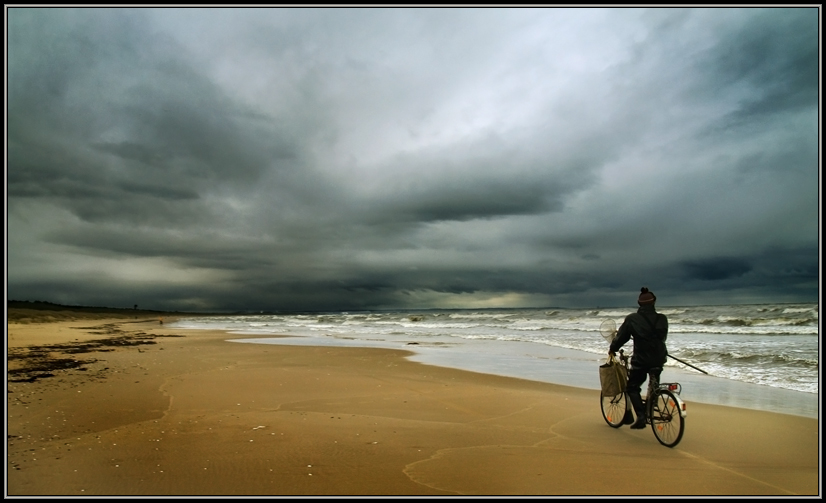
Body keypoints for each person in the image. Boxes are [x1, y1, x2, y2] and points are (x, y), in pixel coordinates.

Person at [608, 287, 668, 429]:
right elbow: (662, 338)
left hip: (641, 360)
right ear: (654, 302)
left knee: (632, 387)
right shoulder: (662, 319)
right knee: (654, 387)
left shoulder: (632, 319)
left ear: (639, 303)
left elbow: (621, 338)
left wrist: (613, 348)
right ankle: (650, 409)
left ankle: (641, 416)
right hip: (659, 358)